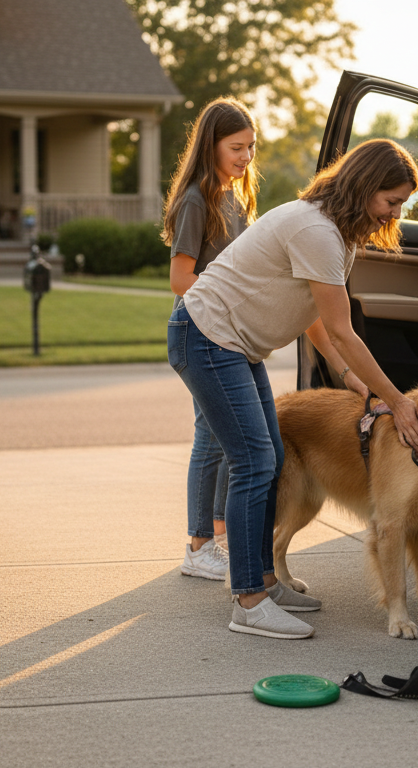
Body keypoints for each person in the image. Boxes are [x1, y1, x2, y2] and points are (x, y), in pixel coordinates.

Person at [169, 138, 418, 639]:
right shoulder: (318, 231)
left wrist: (351, 376)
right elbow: (342, 328)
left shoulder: (336, 233)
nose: (393, 213)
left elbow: (314, 316)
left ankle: (265, 580)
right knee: (255, 462)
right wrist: (396, 401)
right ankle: (248, 601)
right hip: (204, 337)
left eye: (401, 204)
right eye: (391, 201)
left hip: (231, 345)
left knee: (265, 457)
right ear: (365, 186)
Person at [161, 98, 259, 583]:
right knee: (212, 439)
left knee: (219, 436)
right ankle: (200, 544)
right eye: (236, 147)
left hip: (228, 332)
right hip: (199, 329)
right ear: (211, 146)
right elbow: (181, 278)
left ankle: (212, 540)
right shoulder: (198, 199)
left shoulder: (235, 198)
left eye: (251, 147)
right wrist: (225, 302)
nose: (245, 157)